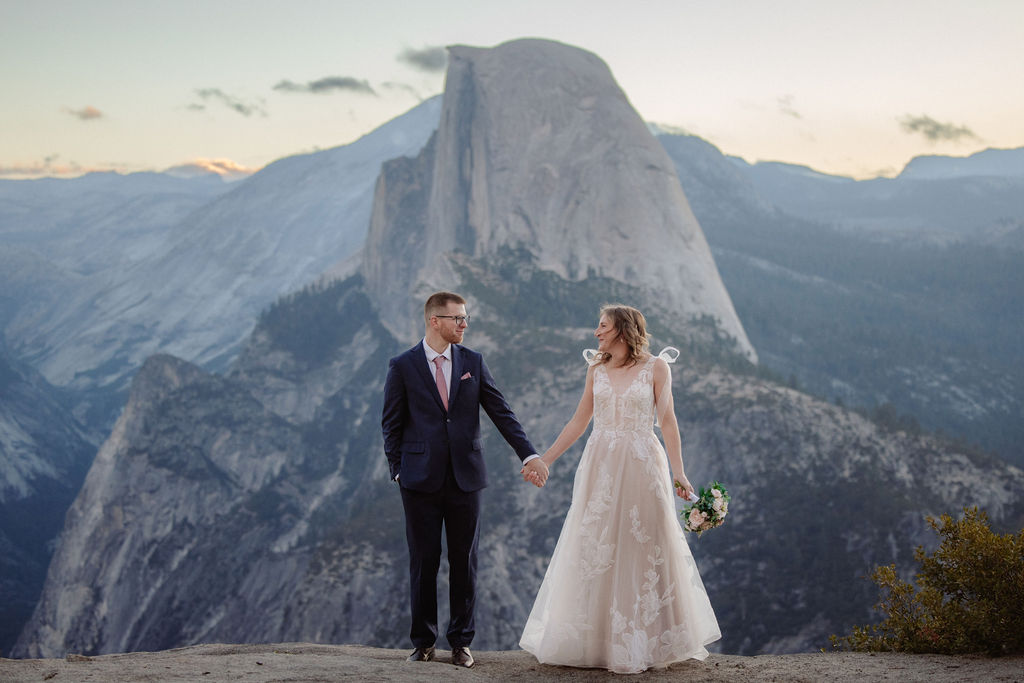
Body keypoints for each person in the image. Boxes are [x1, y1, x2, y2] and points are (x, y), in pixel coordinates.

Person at [519, 304, 721, 673]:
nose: (596, 332)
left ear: (622, 330)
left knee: (645, 542)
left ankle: (646, 642)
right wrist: (545, 459)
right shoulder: (595, 369)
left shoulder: (657, 368)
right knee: (596, 542)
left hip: (643, 463)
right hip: (601, 465)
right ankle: (596, 642)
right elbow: (579, 421)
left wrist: (680, 473)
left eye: (602, 325)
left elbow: (668, 422)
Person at [382, 291, 549, 668]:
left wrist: (530, 453)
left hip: (466, 479)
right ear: (434, 321)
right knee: (424, 561)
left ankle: (461, 643)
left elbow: (500, 411)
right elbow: (391, 423)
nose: (464, 324)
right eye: (457, 318)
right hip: (418, 481)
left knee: (465, 561)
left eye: (465, 317)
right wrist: (398, 469)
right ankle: (423, 643)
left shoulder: (473, 361)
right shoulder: (402, 366)